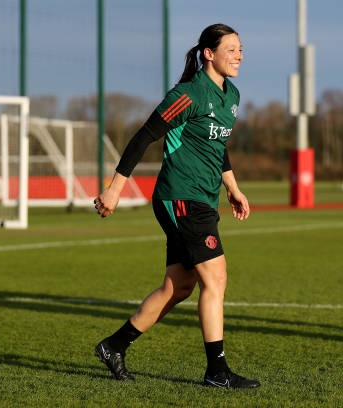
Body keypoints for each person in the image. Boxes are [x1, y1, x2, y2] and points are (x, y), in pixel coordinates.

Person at [93, 23, 259, 389]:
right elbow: (144, 136)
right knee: (216, 277)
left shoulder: (231, 95)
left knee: (178, 287)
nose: (239, 56)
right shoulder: (189, 94)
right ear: (208, 54)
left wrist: (233, 187)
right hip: (180, 196)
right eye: (231, 49)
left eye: (241, 49)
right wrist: (114, 189)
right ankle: (217, 372)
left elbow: (217, 147)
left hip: (201, 197)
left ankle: (114, 346)